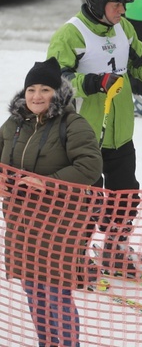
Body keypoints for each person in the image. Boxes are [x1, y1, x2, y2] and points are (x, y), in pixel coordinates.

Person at [47, 0, 142, 276]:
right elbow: (55, 82)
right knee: (86, 200)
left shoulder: (122, 27)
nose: (123, 11)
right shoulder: (70, 34)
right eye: (116, 5)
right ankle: (76, 255)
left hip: (121, 131)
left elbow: (137, 57)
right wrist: (94, 82)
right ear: (97, 2)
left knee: (126, 196)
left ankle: (115, 248)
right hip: (83, 135)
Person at [1, 58, 103, 347]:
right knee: (33, 292)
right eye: (31, 89)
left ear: (57, 93)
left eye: (44, 89)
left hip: (59, 225)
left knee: (57, 294)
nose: (36, 96)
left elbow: (90, 166)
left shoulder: (72, 123)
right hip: (20, 224)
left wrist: (47, 182)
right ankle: (46, 343)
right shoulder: (14, 124)